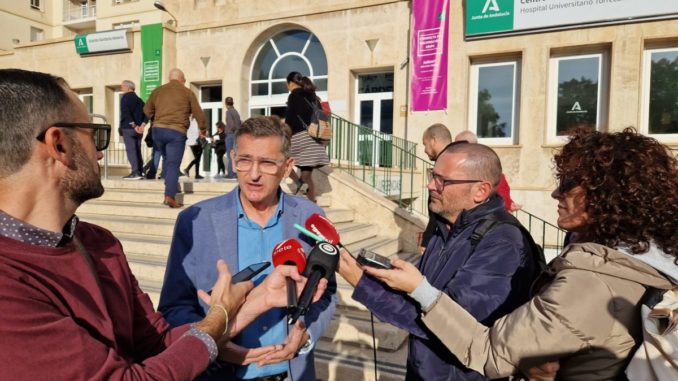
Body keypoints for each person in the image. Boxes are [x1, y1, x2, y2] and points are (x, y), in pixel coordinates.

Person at [0, 68, 329, 380]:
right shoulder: (9, 286)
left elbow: (158, 340)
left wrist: (253, 305)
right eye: (96, 134)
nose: (100, 154)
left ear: (286, 167)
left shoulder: (101, 244)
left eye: (267, 163)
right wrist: (221, 315)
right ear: (59, 144)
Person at [363, 128, 678, 380]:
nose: (555, 192)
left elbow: (489, 352)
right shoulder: (634, 259)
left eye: (568, 183)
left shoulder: (592, 279)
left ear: (606, 194)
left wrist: (418, 289)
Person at [336, 142, 542, 381]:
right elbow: (418, 300)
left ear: (481, 191)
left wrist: (358, 280)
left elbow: (446, 321)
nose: (430, 185)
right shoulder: (446, 228)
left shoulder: (503, 243)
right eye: (432, 175)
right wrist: (366, 273)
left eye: (443, 180)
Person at [158, 116, 337, 381]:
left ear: (287, 167)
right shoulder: (196, 220)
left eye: (266, 163)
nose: (254, 174)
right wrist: (211, 342)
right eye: (244, 160)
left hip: (292, 374)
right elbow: (174, 307)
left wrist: (306, 335)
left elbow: (326, 290)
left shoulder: (309, 217)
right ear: (232, 159)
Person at [143, 68, 206, 208]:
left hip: (157, 131)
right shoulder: (187, 92)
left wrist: (157, 117)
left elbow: (147, 110)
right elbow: (198, 112)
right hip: (176, 131)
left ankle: (169, 184)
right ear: (182, 79)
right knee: (172, 164)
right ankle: (169, 196)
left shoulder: (158, 91)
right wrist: (203, 128)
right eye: (184, 80)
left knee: (167, 159)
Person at [283, 72, 330, 203]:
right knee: (306, 173)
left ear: (290, 83)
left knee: (282, 160)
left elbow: (290, 118)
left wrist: (285, 133)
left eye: (287, 84)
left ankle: (301, 187)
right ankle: (311, 201)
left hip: (301, 137)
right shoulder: (313, 96)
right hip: (315, 137)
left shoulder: (294, 95)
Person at [454, 130, 522, 212]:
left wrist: (508, 204)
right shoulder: (458, 162)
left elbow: (500, 188)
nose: (454, 149)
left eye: (457, 145)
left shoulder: (485, 162)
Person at [419, 123, 453, 254]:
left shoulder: (448, 162)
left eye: (425, 144)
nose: (425, 150)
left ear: (433, 140)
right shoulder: (450, 159)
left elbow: (439, 208)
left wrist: (427, 238)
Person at [119, 79, 148, 180]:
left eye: (122, 86)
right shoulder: (140, 100)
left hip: (129, 129)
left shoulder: (125, 98)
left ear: (127, 87)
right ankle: (140, 171)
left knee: (131, 150)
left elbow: (126, 113)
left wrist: (134, 126)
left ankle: (135, 172)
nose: (121, 88)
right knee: (137, 150)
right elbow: (147, 114)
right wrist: (142, 125)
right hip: (139, 130)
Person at [224, 96, 241, 178]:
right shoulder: (236, 111)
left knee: (230, 154)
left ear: (226, 103)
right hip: (236, 134)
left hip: (231, 135)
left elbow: (231, 125)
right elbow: (239, 123)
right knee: (235, 154)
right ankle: (234, 172)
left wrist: (229, 130)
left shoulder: (228, 112)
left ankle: (231, 173)